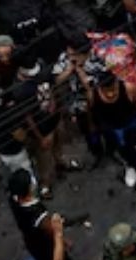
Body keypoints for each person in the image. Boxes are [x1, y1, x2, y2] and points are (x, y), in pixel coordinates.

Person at [7, 169, 93, 260]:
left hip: (31, 241)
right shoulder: (36, 213)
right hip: (45, 244)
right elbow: (51, 230)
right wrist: (63, 240)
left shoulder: (14, 200)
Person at [88, 69, 136, 198]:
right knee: (120, 151)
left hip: (130, 126)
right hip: (110, 129)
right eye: (106, 90)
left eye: (113, 88)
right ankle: (129, 166)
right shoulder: (92, 95)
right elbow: (90, 113)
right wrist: (93, 129)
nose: (111, 93)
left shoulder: (130, 89)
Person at [11, 54, 64, 200]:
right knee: (44, 159)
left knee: (59, 143)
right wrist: (39, 137)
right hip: (41, 128)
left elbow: (51, 84)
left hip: (54, 118)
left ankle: (61, 163)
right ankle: (45, 184)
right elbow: (27, 117)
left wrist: (53, 101)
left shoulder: (41, 65)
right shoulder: (19, 90)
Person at [52, 37, 104, 166]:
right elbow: (56, 80)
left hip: (98, 100)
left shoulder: (97, 57)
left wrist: (80, 71)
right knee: (87, 131)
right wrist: (68, 71)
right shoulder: (65, 58)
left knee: (104, 126)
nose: (70, 57)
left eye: (74, 54)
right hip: (77, 104)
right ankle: (96, 152)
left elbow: (91, 85)